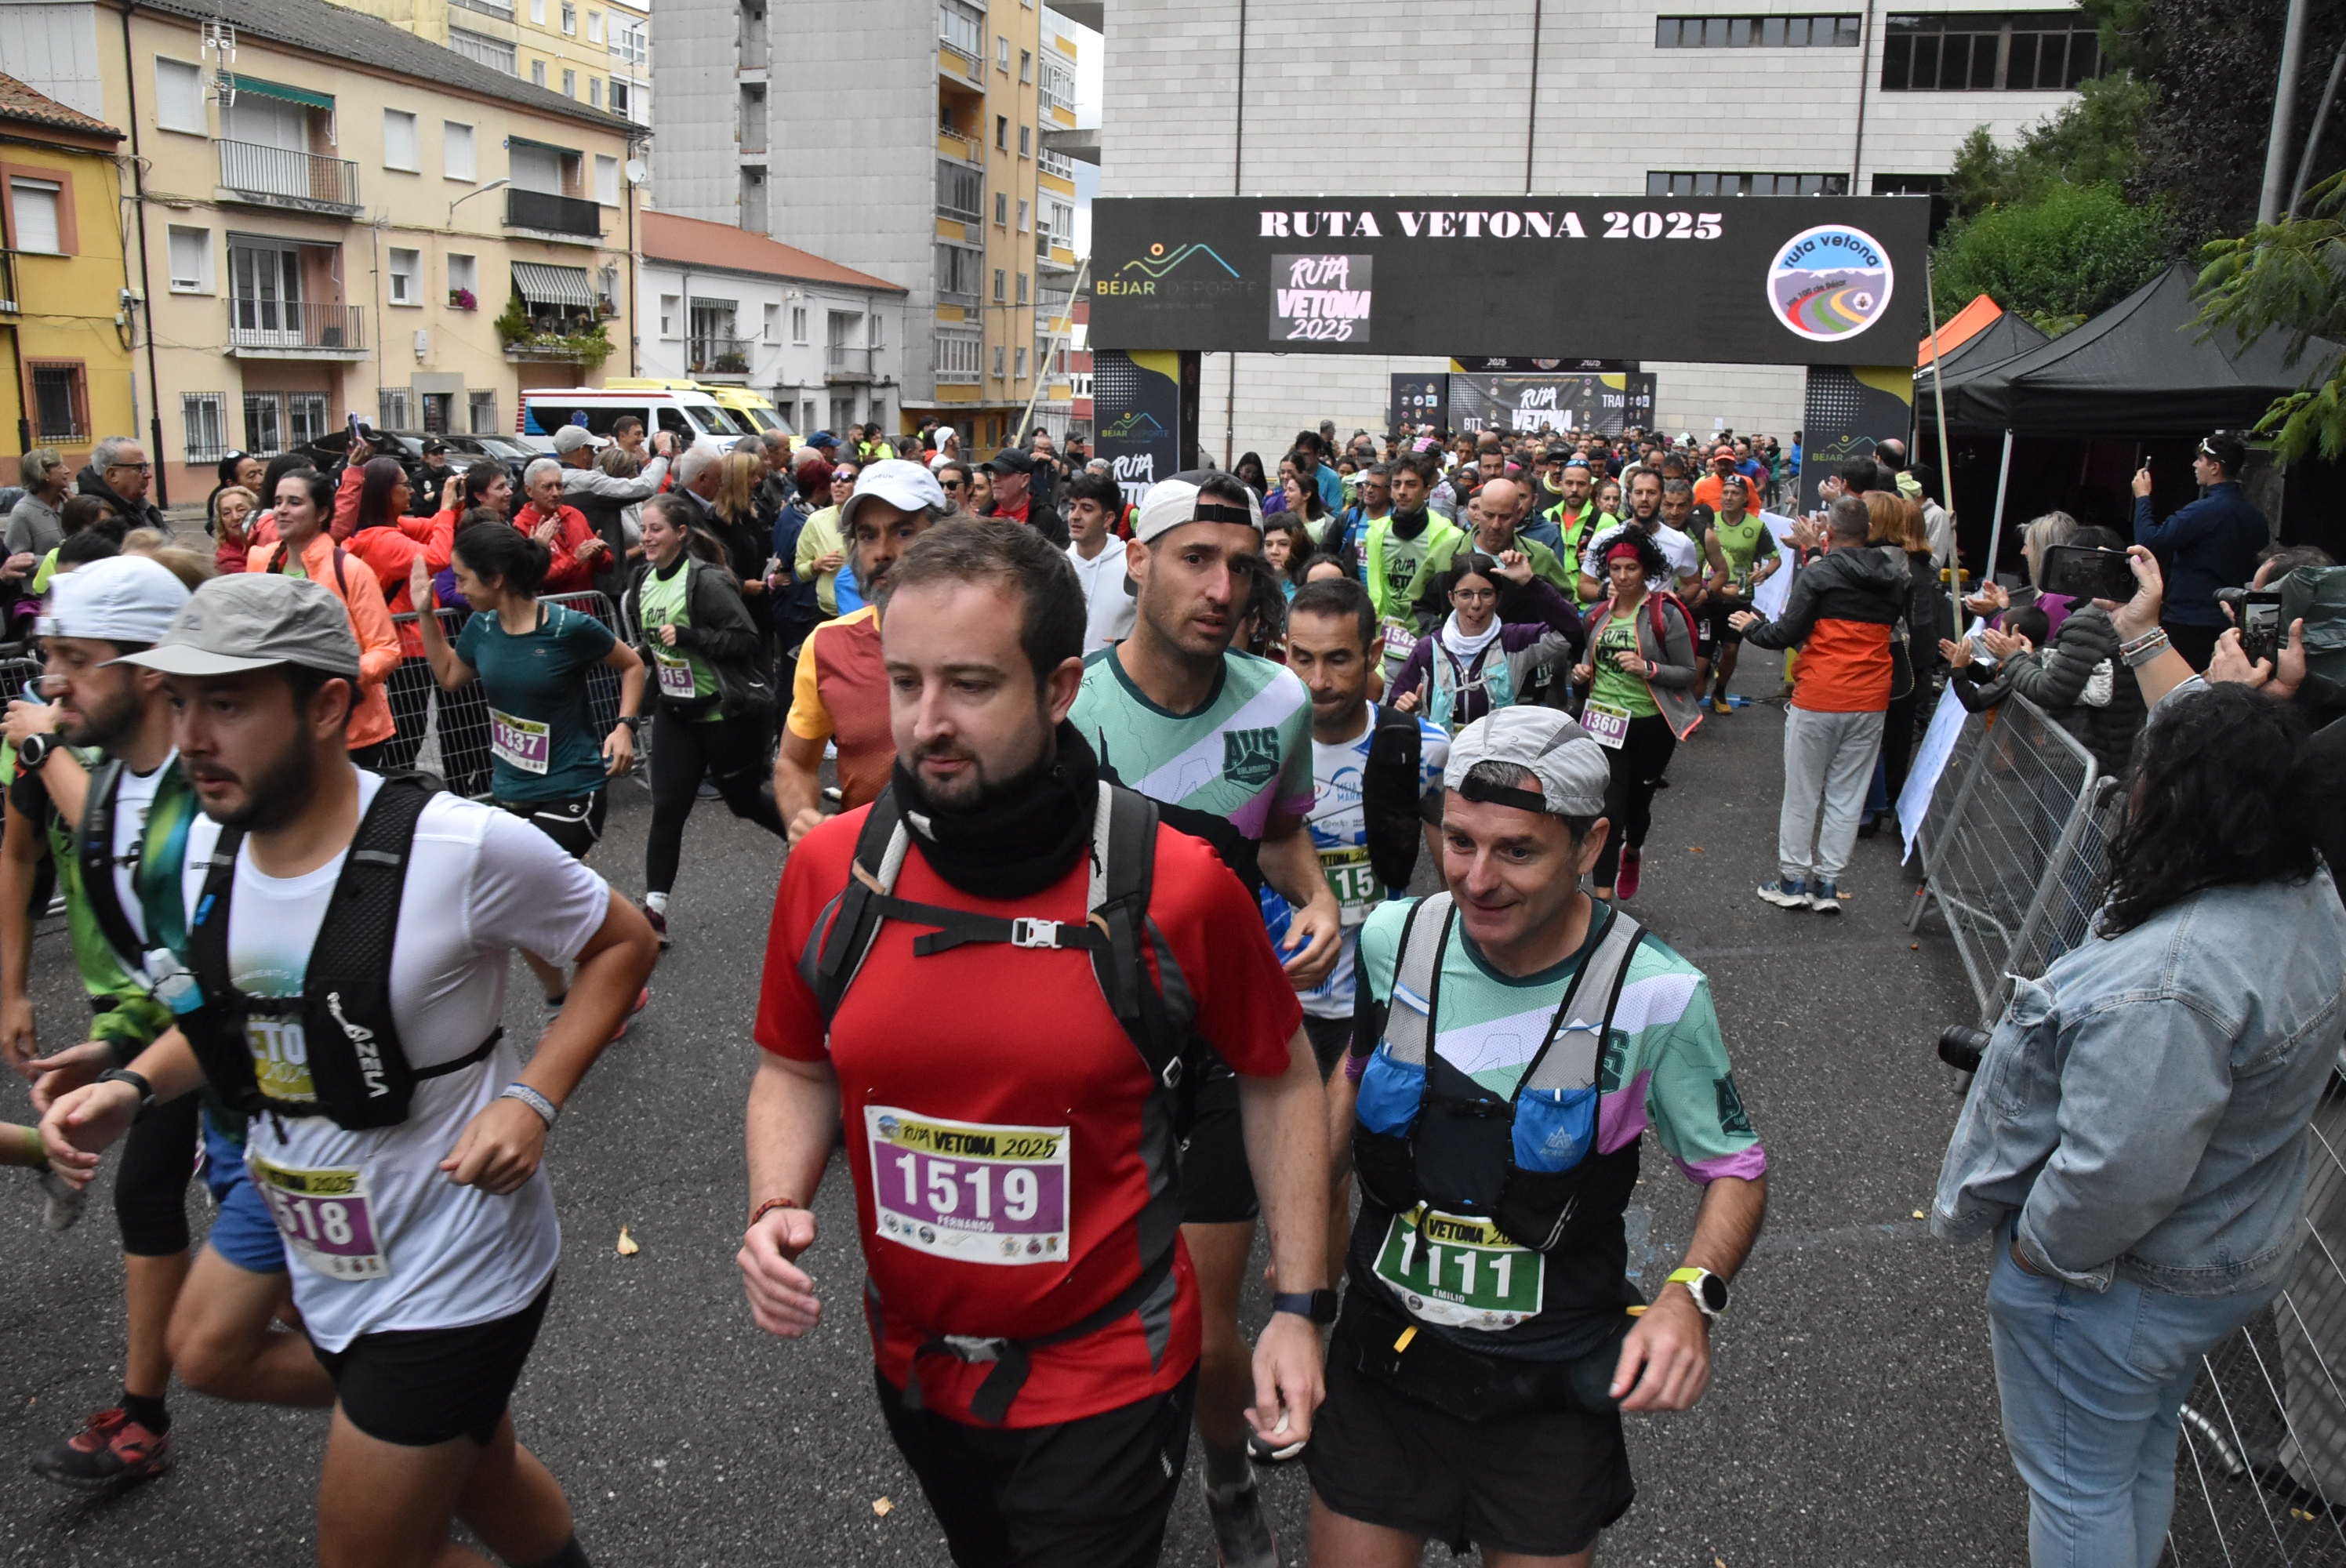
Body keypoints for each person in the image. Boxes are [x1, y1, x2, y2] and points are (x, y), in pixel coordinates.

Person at [40, 571, 659, 1568]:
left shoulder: (456, 845)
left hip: (452, 1260)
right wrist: (133, 1083)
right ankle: (443, 1419)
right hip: (314, 1225)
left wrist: (532, 1098)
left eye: (229, 703)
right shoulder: (206, 844)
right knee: (214, 1352)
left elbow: (621, 942)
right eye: (181, 701)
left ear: (328, 705)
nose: (193, 735)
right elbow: (238, 1013)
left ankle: (428, 1403)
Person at [743, 517, 1327, 1568]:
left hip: (1110, 1365)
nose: (927, 723)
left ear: (1059, 689)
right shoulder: (834, 871)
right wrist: (777, 1200)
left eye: (970, 685)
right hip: (916, 1362)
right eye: (908, 682)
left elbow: (1280, 1078)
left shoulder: (1176, 885)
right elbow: (795, 1065)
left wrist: (1296, 1304)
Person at [1314, 706, 1768, 1568]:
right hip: (1386, 1364)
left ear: (1590, 845)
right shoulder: (1392, 938)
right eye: (1457, 841)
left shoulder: (1656, 993)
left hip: (1548, 1387)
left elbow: (1734, 1167)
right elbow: (1351, 1081)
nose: (1475, 878)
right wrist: (1302, 1272)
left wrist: (1688, 1296)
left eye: (1516, 850)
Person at [1934, 678, 2344, 1568]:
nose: (2130, 787)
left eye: (2147, 771)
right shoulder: (2306, 889)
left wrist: (2039, 1252)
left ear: (2184, 800)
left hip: (2121, 1279)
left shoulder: (2174, 977)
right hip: (2224, 1250)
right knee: (2133, 1450)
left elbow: (2115, 1171)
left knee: (2077, 1483)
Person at [1066, 470, 1340, 1567]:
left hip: (1226, 1044)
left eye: (1241, 566)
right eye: (1196, 559)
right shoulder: (1066, 705)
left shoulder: (1277, 701)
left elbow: (1278, 840)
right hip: (1098, 1045)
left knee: (1196, 1316)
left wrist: (1318, 896)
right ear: (1140, 561)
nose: (1222, 587)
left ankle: (1225, 1477)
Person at [410, 528, 648, 1011]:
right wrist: (424, 615)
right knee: (526, 901)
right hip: (511, 788)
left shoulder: (566, 628)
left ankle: (599, 980)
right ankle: (577, 991)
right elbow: (451, 678)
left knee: (518, 894)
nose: (455, 588)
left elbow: (632, 666)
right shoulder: (481, 627)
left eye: (462, 579)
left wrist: (624, 726)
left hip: (573, 786)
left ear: (496, 578)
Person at [1730, 495, 1907, 914]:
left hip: (1820, 695)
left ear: (1829, 531)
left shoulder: (1820, 574)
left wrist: (1752, 627)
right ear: (1869, 531)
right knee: (1848, 795)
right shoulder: (1895, 577)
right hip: (1871, 698)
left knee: (1803, 793)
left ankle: (1792, 880)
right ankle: (1828, 885)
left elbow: (1784, 633)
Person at [629, 492, 785, 940]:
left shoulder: (706, 582)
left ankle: (808, 842)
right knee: (668, 809)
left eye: (656, 529)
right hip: (677, 713)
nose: (647, 536)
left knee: (744, 801)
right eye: (644, 529)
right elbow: (655, 645)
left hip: (725, 715)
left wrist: (691, 636)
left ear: (680, 534)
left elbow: (746, 639)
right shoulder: (644, 579)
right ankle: (654, 912)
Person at [775, 460, 946, 839]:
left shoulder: (990, 635)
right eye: (867, 536)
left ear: (945, 535)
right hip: (869, 875)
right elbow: (794, 763)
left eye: (903, 532)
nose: (882, 552)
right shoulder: (827, 646)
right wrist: (802, 816)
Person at [1573, 532, 1702, 904]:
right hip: (1603, 723)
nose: (1623, 575)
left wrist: (1648, 668)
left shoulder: (1666, 614)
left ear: (1645, 571)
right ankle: (1601, 901)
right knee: (1608, 809)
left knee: (1637, 808)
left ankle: (1633, 852)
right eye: (1615, 568)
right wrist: (1582, 672)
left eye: (1631, 568)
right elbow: (1589, 657)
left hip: (1650, 724)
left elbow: (1688, 673)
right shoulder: (1597, 614)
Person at [244, 469, 402, 768]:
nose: (281, 510)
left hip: (350, 730)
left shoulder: (351, 570)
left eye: (294, 502)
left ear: (322, 513)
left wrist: (333, 678)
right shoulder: (260, 563)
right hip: (284, 729)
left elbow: (386, 650)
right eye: (277, 502)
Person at [1985, 525, 2148, 779]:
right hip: (2111, 753)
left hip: (2080, 761)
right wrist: (2031, 659)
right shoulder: (2128, 614)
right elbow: (2071, 670)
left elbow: (2051, 691)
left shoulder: (2090, 621)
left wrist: (2013, 658)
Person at [1390, 550, 1578, 732]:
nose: (1476, 604)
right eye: (1465, 594)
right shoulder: (1427, 649)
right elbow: (1395, 705)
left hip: (1497, 759)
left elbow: (1570, 629)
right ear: (1452, 598)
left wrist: (1530, 582)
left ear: (1498, 598)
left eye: (1486, 594)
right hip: (1441, 760)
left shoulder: (1514, 641)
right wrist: (1403, 709)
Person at [2131, 432, 2267, 669]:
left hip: (2190, 620)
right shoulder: (2256, 517)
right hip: (2232, 620)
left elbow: (2148, 542)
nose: (2194, 465)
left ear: (2214, 467)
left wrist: (2143, 497)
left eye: (2200, 460)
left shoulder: (2203, 512)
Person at [1363, 452, 1468, 683]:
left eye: (1411, 485)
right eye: (1397, 484)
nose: (1402, 491)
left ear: (1427, 489)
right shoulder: (1376, 532)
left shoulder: (1449, 536)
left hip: (1430, 640)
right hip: (1386, 641)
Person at [554, 423, 672, 601]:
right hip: (605, 579)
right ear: (582, 451)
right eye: (592, 449)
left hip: (570, 574)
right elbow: (645, 487)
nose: (595, 454)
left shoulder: (551, 480)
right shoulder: (590, 482)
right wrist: (663, 454)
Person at [1701, 474, 1781, 713]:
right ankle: (1693, 692)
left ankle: (1720, 691)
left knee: (1731, 649)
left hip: (1739, 598)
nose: (1728, 497)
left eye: (1735, 493)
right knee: (1701, 655)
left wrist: (1764, 574)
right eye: (1725, 492)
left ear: (1746, 497)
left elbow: (1775, 559)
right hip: (1710, 595)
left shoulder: (1756, 526)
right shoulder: (1709, 522)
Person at [1064, 469, 1135, 649]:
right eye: (1072, 507)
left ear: (1108, 519)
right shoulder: (1058, 566)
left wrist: (1132, 646)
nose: (1075, 516)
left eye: (1087, 508)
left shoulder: (1132, 566)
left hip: (1116, 673)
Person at [514, 459, 606, 597]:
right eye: (548, 487)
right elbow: (535, 579)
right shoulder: (521, 527)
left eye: (559, 486)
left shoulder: (574, 515)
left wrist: (600, 555)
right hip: (550, 612)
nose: (556, 493)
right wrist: (575, 559)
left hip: (587, 609)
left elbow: (607, 567)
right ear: (529, 490)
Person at [793, 459, 854, 616]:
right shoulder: (816, 520)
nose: (838, 483)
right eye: (835, 477)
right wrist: (815, 565)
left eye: (847, 478)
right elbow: (800, 570)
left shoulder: (873, 520)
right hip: (829, 613)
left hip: (867, 611)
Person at [77, 437, 167, 535]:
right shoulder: (95, 515)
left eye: (146, 467)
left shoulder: (145, 509)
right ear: (113, 475)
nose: (148, 475)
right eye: (139, 468)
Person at [12, 448, 73, 556]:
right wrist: (56, 561)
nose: (68, 470)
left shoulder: (69, 502)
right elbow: (15, 559)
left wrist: (78, 506)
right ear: (44, 474)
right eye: (60, 467)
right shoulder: (23, 513)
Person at [211, 485, 260, 578]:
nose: (235, 517)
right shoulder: (226, 560)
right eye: (227, 513)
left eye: (241, 510)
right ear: (221, 521)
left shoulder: (268, 538)